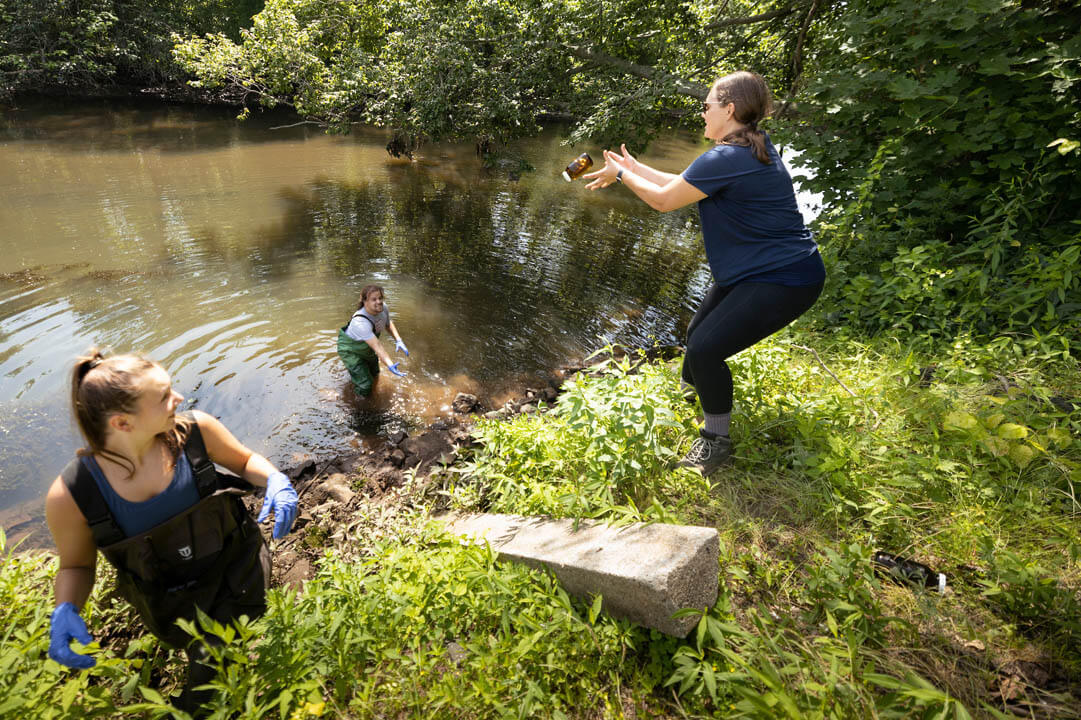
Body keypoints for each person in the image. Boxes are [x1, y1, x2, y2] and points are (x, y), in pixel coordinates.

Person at [584, 71, 825, 477]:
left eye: (707, 105)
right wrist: (637, 168)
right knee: (696, 336)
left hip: (785, 278)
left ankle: (716, 441)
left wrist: (623, 176)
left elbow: (664, 202)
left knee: (705, 350)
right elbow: (684, 186)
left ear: (729, 110)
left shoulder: (728, 156)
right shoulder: (751, 147)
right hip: (761, 270)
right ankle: (686, 402)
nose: (702, 113)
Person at [44, 348, 299, 715]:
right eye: (164, 396)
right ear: (122, 423)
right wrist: (66, 609)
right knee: (210, 646)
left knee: (215, 664)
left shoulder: (196, 432)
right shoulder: (72, 495)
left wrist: (274, 477)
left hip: (237, 565)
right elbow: (76, 567)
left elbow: (244, 461)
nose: (178, 398)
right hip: (169, 600)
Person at [337, 284, 410, 398]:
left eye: (380, 298)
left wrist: (399, 340)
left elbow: (388, 323)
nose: (379, 302)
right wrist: (390, 365)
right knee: (365, 384)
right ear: (365, 301)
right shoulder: (360, 322)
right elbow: (377, 346)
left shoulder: (383, 308)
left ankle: (369, 390)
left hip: (366, 346)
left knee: (375, 373)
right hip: (350, 351)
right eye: (374, 299)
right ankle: (357, 404)